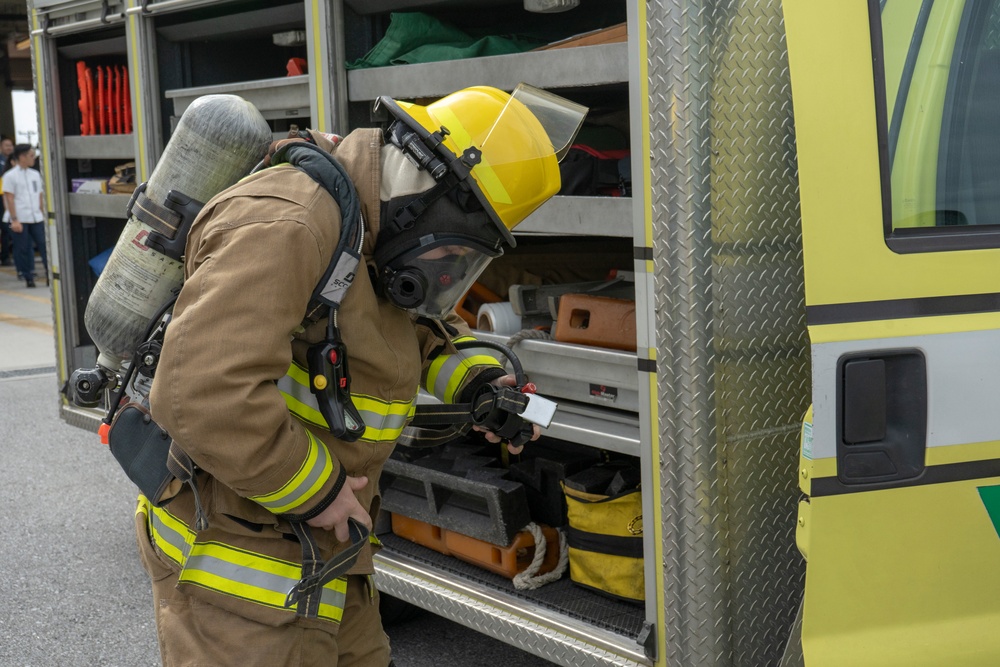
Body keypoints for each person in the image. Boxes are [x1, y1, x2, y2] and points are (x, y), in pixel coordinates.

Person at [136, 83, 586, 667]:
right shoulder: (290, 225)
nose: (446, 269)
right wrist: (317, 493)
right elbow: (201, 393)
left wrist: (480, 387)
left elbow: (411, 324)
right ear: (431, 197)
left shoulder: (366, 229)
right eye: (454, 251)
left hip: (327, 554)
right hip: (239, 571)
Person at [3, 144, 47, 287]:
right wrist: (14, 219)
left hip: (36, 216)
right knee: (23, 248)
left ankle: (49, 274)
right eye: (30, 155)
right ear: (22, 156)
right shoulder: (10, 176)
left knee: (44, 245)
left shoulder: (35, 174)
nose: (33, 158)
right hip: (20, 217)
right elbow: (9, 198)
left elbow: (40, 196)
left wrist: (43, 213)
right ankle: (28, 276)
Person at [0, 136, 15, 266]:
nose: (9, 148)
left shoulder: (13, 162)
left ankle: (7, 256)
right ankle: (4, 256)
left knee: (8, 229)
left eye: (11, 145)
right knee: (5, 228)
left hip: (10, 198)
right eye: (6, 145)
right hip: (2, 198)